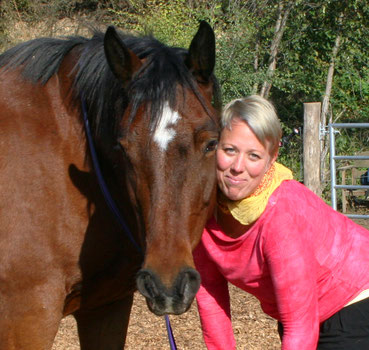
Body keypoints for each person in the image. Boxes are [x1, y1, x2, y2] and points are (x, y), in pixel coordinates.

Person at [193, 95, 369, 350]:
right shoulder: (201, 206)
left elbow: (299, 324)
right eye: (229, 150)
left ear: (272, 158)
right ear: (215, 147)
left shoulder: (280, 211)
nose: (238, 167)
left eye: (254, 156)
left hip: (356, 297)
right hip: (304, 309)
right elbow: (210, 298)